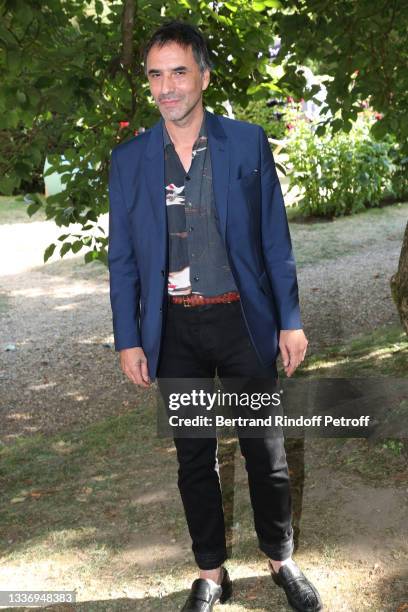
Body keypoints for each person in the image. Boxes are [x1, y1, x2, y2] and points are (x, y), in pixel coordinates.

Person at [108, 20, 323, 612]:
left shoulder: (246, 143)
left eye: (179, 71)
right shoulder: (129, 161)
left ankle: (281, 558)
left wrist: (290, 319)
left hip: (243, 322)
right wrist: (129, 338)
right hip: (173, 332)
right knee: (194, 456)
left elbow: (274, 239)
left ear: (203, 74)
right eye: (156, 74)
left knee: (266, 448)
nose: (167, 86)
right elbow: (122, 258)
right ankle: (210, 572)